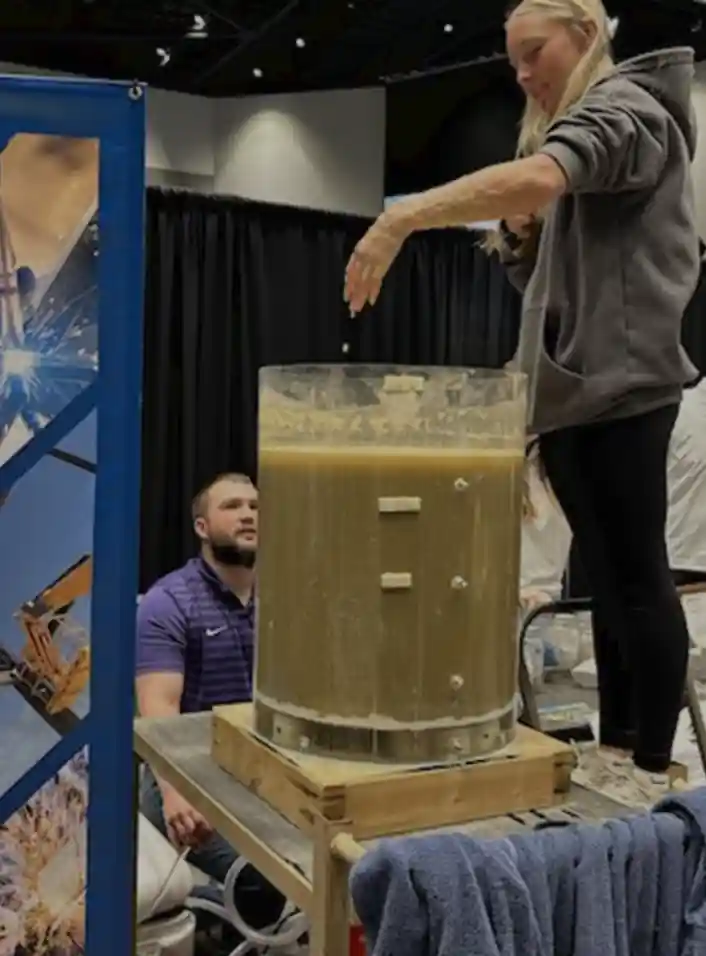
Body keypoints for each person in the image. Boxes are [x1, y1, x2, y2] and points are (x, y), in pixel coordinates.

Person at [343, 0, 700, 804]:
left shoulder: (628, 108)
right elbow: (551, 282)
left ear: (586, 33)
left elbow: (544, 174)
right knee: (607, 576)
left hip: (623, 385)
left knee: (638, 573)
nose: (524, 74)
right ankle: (619, 750)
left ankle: (649, 761)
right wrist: (519, 242)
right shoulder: (585, 126)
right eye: (512, 62)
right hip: (573, 392)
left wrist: (402, 219)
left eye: (533, 52)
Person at [136, 473, 285, 932]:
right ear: (201, 527)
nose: (248, 515)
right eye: (233, 506)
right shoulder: (168, 603)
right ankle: (198, 911)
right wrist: (177, 795)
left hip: (263, 776)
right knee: (264, 882)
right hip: (188, 781)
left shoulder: (285, 599)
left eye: (256, 507)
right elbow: (157, 713)